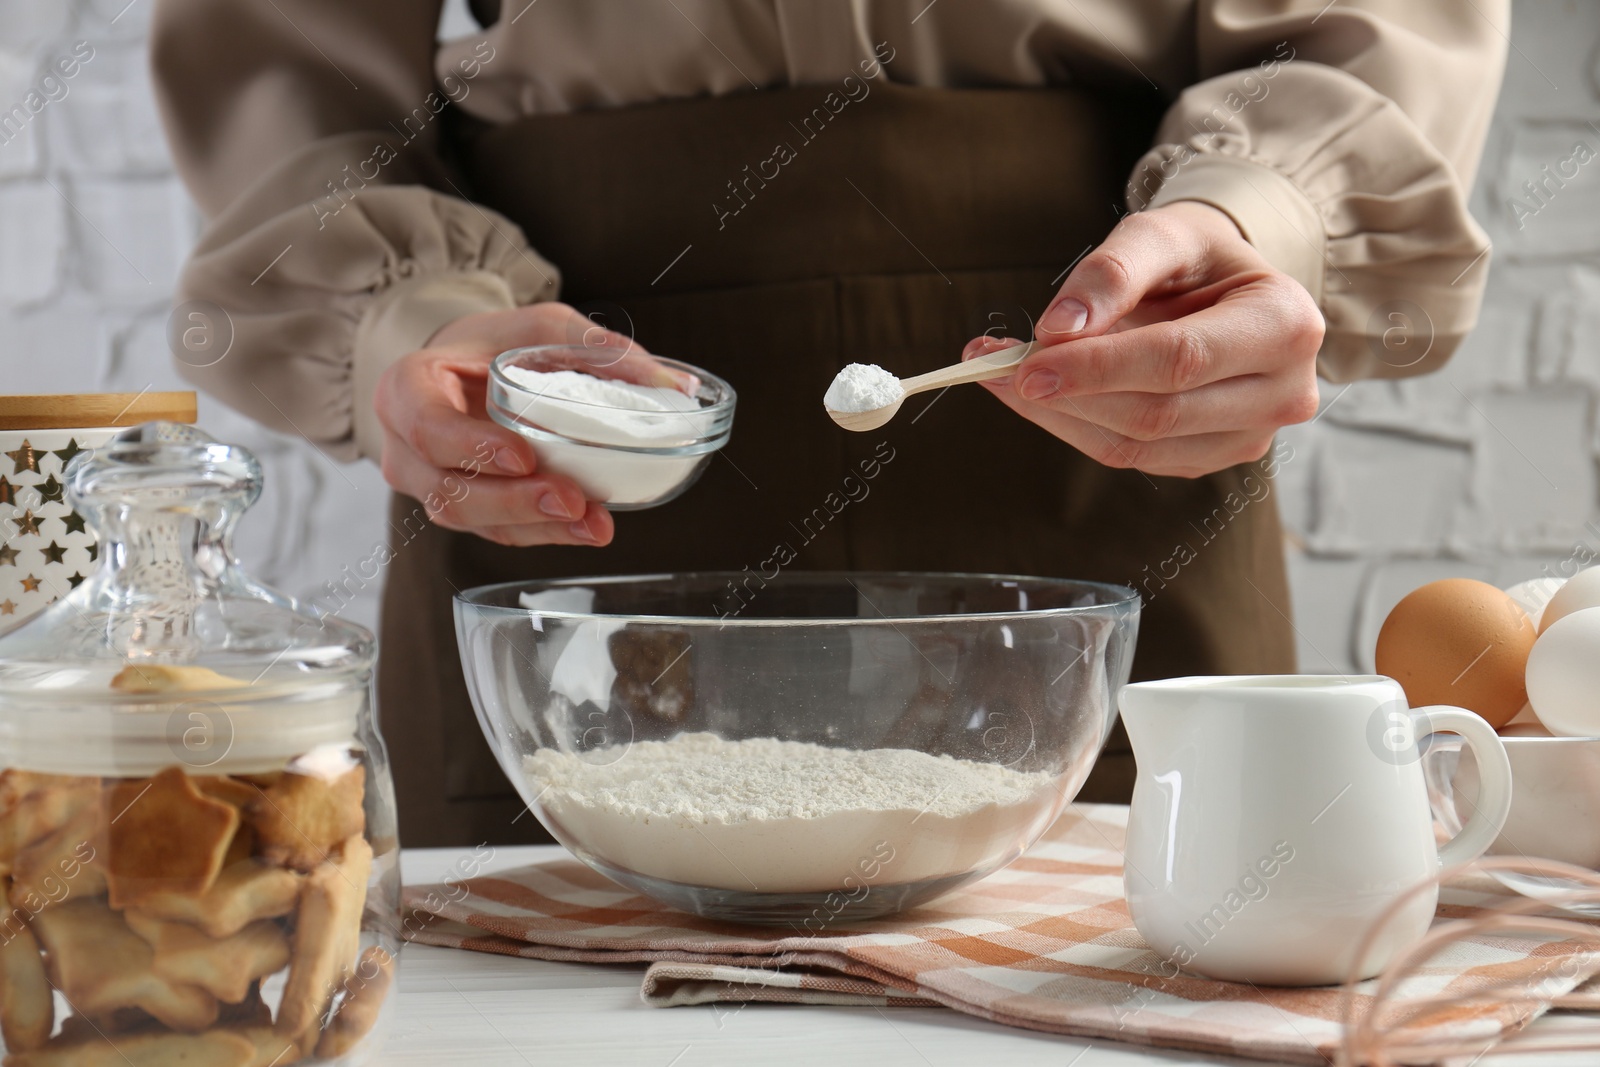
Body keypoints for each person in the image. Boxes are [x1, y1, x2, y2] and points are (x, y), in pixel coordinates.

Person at [151, 1, 1507, 847]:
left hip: (1109, 426)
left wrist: (1256, 220)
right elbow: (286, 63)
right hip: (578, 461)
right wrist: (411, 321)